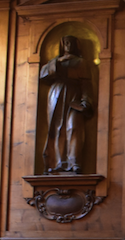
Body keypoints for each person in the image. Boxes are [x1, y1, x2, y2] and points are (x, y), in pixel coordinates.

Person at [40, 35, 93, 174]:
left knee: (74, 127)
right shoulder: (55, 62)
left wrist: (86, 101)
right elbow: (43, 75)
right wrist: (56, 64)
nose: (68, 45)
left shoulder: (81, 62)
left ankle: (74, 162)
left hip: (74, 96)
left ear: (76, 45)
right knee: (57, 128)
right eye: (65, 42)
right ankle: (57, 162)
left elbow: (86, 84)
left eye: (70, 42)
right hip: (56, 94)